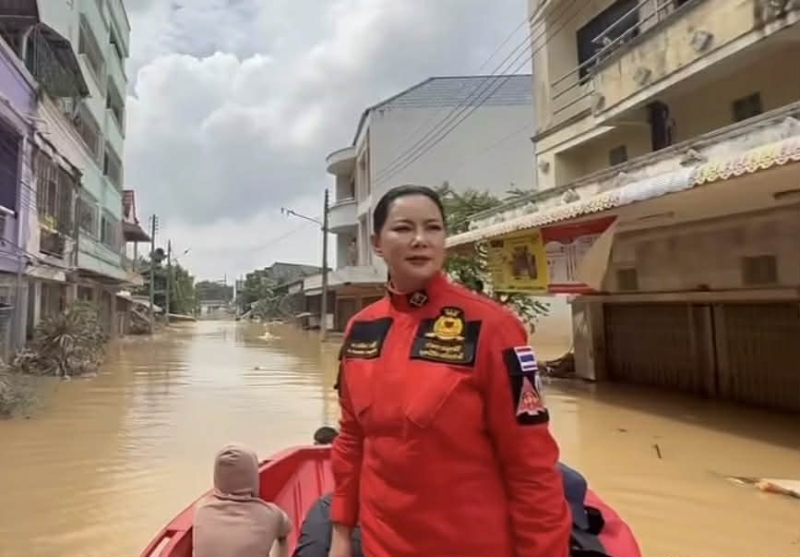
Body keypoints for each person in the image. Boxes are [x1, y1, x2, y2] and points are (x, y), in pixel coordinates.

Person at [330, 185, 572, 557]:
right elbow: (351, 438)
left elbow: (531, 464)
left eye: (433, 228)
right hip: (380, 544)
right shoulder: (361, 329)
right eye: (404, 228)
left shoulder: (493, 327)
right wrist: (341, 534)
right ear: (377, 244)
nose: (420, 240)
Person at [193, 442, 293, 557]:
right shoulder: (272, 514)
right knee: (281, 537)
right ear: (253, 477)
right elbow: (286, 530)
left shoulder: (201, 508)